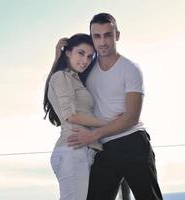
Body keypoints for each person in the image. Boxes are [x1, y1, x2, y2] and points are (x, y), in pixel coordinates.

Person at [66, 13, 163, 200]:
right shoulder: (86, 70)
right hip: (104, 149)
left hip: (132, 142)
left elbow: (131, 118)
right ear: (92, 38)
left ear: (117, 35)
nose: (102, 42)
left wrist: (92, 135)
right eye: (97, 36)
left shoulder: (130, 69)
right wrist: (59, 54)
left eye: (108, 35)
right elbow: (63, 79)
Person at [43, 34, 112, 200]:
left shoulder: (73, 78)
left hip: (81, 151)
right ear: (68, 52)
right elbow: (71, 116)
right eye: (80, 53)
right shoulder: (61, 77)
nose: (85, 60)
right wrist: (108, 123)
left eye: (89, 56)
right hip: (72, 151)